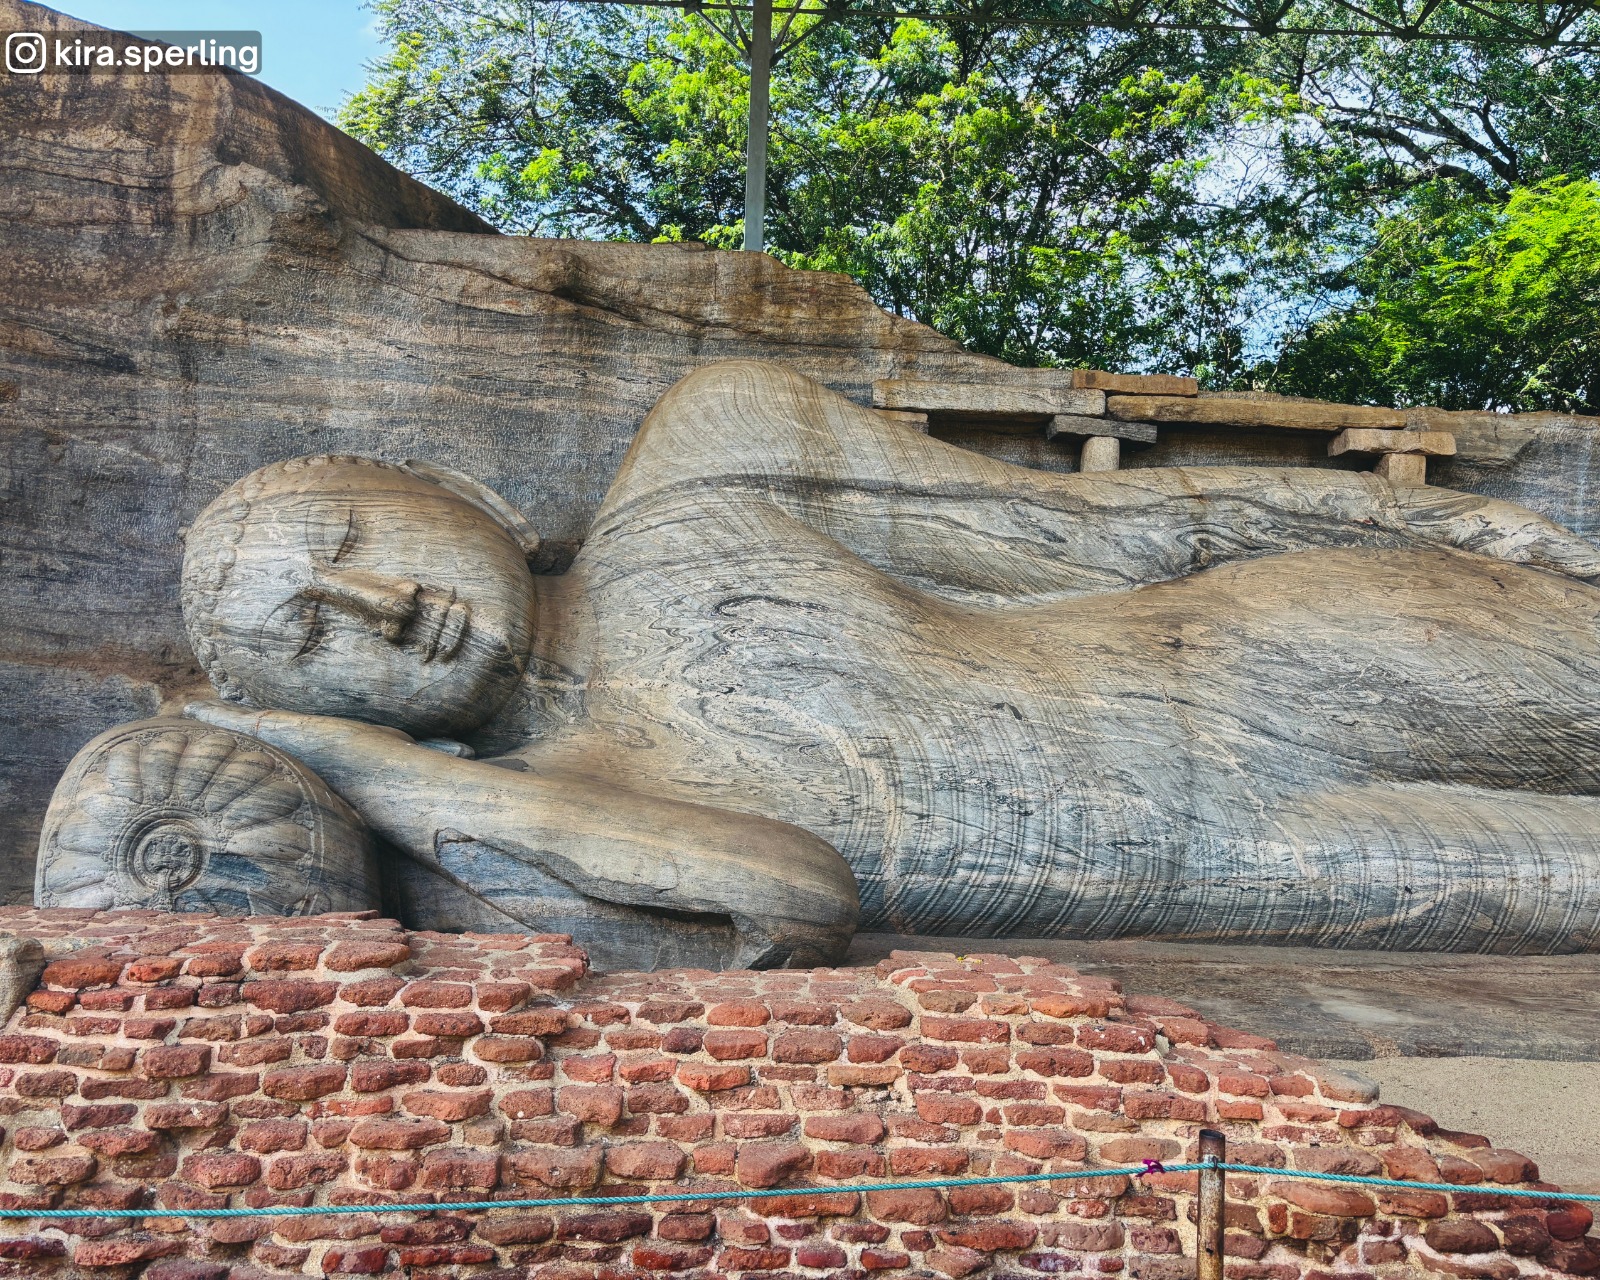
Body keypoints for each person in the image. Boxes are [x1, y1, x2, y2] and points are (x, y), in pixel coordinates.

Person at [185, 360, 1600, 957]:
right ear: (298, 703)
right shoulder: (575, 810)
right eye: (308, 632)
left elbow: (1106, 530)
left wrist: (1440, 523)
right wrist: (354, 766)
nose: (377, 605)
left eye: (358, 538)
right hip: (1271, 861)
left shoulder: (707, 466)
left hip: (1270, 659)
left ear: (447, 488)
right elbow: (791, 895)